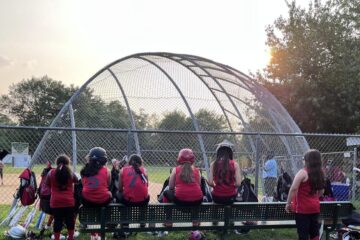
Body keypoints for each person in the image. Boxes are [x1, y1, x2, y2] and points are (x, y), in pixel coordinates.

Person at [285, 149, 325, 240]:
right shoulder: (320, 173)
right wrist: (313, 198)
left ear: (308, 160)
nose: (303, 160)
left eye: (304, 158)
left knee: (303, 233)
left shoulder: (303, 172)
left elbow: (294, 188)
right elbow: (322, 191)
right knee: (314, 232)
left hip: (302, 209)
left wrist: (288, 203)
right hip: (315, 208)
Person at [163, 148, 203, 227]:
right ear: (192, 159)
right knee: (195, 194)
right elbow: (199, 186)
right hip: (197, 201)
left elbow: (170, 187)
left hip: (180, 201)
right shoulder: (197, 170)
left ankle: (168, 220)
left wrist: (178, 187)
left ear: (179, 159)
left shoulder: (176, 169)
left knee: (166, 193)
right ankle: (195, 220)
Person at [46, 155, 78, 240]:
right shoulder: (71, 173)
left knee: (57, 220)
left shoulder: (51, 172)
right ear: (68, 163)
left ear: (57, 163)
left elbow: (47, 184)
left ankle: (57, 238)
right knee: (70, 220)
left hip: (56, 201)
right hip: (69, 201)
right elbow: (77, 181)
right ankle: (70, 237)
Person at [207, 140, 241, 204]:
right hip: (231, 197)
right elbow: (238, 183)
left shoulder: (213, 164)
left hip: (217, 197)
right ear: (230, 153)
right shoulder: (235, 164)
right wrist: (230, 187)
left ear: (218, 153)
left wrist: (216, 187)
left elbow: (210, 182)